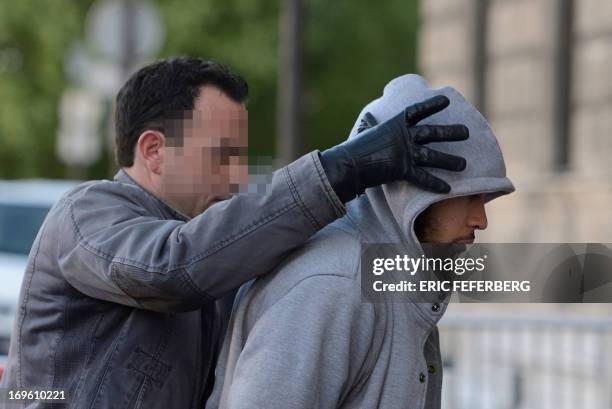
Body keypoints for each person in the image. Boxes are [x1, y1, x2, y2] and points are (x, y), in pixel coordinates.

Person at [0, 58, 470, 408]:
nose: (237, 176)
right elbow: (172, 268)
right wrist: (343, 168)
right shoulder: (85, 212)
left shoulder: (217, 251)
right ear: (153, 151)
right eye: (222, 155)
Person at [205, 74, 515, 409]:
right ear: (411, 190)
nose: (480, 220)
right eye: (469, 196)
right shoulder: (334, 284)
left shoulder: (388, 277)